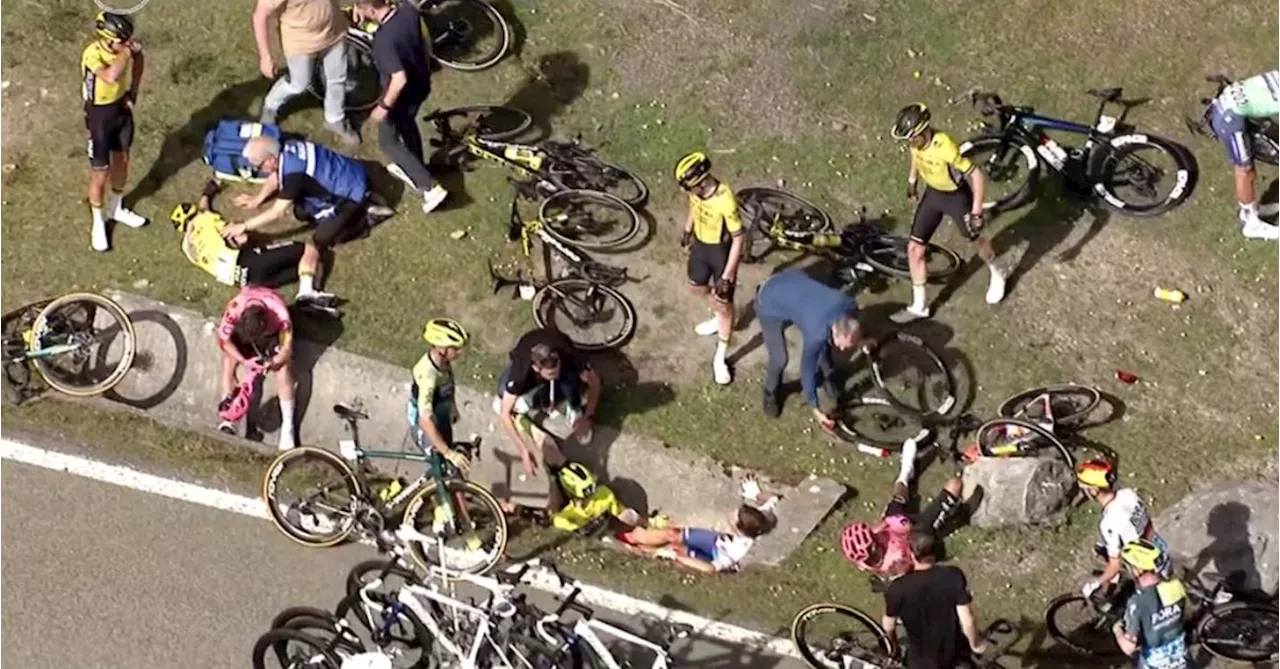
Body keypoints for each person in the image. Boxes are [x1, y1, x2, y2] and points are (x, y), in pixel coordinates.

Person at [890, 103, 1006, 323]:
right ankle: (919, 306)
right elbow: (915, 156)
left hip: (956, 198)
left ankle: (998, 272)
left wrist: (976, 211)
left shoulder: (945, 146)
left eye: (911, 139)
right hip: (933, 195)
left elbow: (977, 175)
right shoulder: (916, 142)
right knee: (914, 248)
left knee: (976, 240)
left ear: (923, 132)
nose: (909, 144)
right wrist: (912, 181)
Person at [170, 180, 337, 312]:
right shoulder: (205, 219)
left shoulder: (187, 248)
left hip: (244, 281)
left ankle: (311, 299)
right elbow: (240, 238)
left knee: (308, 267)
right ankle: (308, 292)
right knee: (310, 251)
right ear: (195, 212)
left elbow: (202, 209)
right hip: (248, 262)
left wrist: (207, 194)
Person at [350, 0, 449, 214]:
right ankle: (417, 167)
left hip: (400, 96)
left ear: (369, 10)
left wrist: (383, 106)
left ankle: (430, 187)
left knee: (388, 141)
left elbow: (399, 78)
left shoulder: (384, 41)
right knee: (407, 124)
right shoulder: (408, 11)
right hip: (421, 85)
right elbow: (425, 42)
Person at [493, 328, 601, 513]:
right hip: (527, 372)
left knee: (568, 379)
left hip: (561, 355)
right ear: (536, 367)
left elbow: (595, 382)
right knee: (502, 399)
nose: (554, 374)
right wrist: (523, 451)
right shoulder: (521, 371)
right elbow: (504, 414)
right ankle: (538, 399)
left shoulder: (569, 357)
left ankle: (574, 407)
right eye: (550, 373)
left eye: (556, 369)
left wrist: (588, 416)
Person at [223, 136, 392, 250]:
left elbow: (277, 212)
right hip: (350, 171)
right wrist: (258, 199)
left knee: (322, 239)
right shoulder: (289, 146)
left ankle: (366, 218)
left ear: (270, 159)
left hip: (350, 193)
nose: (258, 170)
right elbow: (276, 175)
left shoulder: (294, 175)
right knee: (301, 212)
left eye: (258, 166)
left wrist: (243, 226)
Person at [841, 435, 965, 580]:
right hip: (914, 536)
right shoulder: (896, 562)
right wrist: (905, 528)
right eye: (874, 539)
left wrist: (888, 522)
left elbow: (880, 526)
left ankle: (905, 473)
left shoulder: (863, 559)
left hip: (896, 528)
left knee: (898, 498)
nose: (875, 535)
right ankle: (952, 513)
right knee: (955, 485)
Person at [753, 268, 862, 426]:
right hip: (769, 300)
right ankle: (770, 393)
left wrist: (861, 341)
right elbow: (807, 369)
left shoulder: (849, 304)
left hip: (796, 285)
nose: (844, 350)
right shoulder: (817, 331)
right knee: (779, 358)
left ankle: (829, 378)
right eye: (843, 346)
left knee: (824, 343)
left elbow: (852, 329)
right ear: (836, 332)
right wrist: (815, 406)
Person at [674, 151, 745, 386]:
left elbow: (738, 238)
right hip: (701, 246)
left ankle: (720, 358)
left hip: (722, 253)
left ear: (701, 182)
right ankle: (717, 314)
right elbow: (693, 207)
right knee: (696, 288)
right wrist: (687, 230)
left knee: (724, 304)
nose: (686, 192)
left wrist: (728, 275)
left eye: (688, 187)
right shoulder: (696, 193)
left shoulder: (725, 198)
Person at [617, 476, 779, 574]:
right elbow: (774, 498)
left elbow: (711, 568)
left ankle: (633, 545)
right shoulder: (762, 518)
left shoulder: (737, 550)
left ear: (740, 528)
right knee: (673, 534)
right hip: (715, 540)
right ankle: (633, 536)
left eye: (734, 517)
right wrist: (757, 494)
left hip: (713, 554)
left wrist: (683, 558)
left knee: (675, 549)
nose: (730, 514)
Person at [82, 11, 148, 252]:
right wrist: (127, 54)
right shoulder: (92, 53)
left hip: (120, 109)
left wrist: (134, 90)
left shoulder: (125, 49)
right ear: (108, 39)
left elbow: (139, 58)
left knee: (122, 160)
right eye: (123, 40)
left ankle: (116, 207)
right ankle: (98, 221)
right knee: (100, 172)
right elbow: (110, 76)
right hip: (99, 115)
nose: (128, 43)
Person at [252, 0, 358, 146]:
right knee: (298, 84)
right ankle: (271, 105)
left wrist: (361, 5)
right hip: (301, 43)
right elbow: (260, 15)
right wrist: (265, 57)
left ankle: (335, 119)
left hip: (334, 33)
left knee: (337, 79)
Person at [882, 531, 988, 669]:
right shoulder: (953, 576)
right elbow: (968, 621)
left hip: (919, 663)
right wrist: (976, 644)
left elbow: (888, 626)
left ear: (912, 555)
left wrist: (893, 649)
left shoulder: (897, 589)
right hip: (954, 655)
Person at [216, 285, 297, 450]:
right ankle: (230, 417)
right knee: (229, 359)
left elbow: (287, 350)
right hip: (247, 331)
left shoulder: (280, 314)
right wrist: (243, 360)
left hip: (271, 336)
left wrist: (273, 363)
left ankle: (288, 426)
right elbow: (224, 341)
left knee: (284, 368)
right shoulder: (235, 307)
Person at [1077, 459, 1172, 601]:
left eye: (1084, 488)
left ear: (1094, 490)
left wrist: (1095, 583)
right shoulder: (1128, 494)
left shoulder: (1108, 522)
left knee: (1147, 606)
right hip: (1158, 546)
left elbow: (1115, 565)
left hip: (1147, 567)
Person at [1205, 71, 1280, 240]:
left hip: (1231, 104)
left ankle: (1251, 212)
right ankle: (1252, 225)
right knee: (1245, 172)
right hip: (1231, 118)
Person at [408, 318, 474, 474]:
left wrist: (452, 408)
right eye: (456, 348)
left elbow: (447, 389)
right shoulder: (428, 375)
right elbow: (425, 420)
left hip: (441, 416)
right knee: (444, 472)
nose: (460, 352)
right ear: (443, 349)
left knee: (454, 471)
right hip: (426, 425)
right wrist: (448, 452)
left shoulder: (443, 363)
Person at [1113, 539, 1190, 669]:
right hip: (1182, 658)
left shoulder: (1137, 603)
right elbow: (1186, 615)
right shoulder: (1177, 586)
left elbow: (1129, 648)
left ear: (1137, 570)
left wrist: (1117, 630)